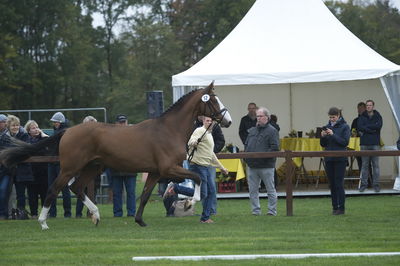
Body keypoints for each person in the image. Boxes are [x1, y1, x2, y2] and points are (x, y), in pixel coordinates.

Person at [187, 116, 228, 224]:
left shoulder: (209, 134)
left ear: (213, 123)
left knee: (211, 192)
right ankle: (176, 188)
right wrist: (194, 142)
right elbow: (191, 141)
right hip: (197, 165)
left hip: (205, 166)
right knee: (203, 193)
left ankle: (205, 218)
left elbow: (211, 154)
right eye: (207, 120)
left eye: (211, 121)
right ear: (203, 121)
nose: (209, 122)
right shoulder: (199, 130)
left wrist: (222, 167)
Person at [244, 107, 279, 216]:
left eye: (260, 116)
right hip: (252, 166)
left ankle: (271, 211)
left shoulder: (272, 131)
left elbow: (275, 148)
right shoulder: (252, 130)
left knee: (270, 190)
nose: (258, 118)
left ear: (267, 117)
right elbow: (246, 145)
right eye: (257, 116)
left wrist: (261, 157)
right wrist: (247, 158)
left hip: (266, 166)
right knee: (253, 191)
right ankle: (256, 211)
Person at [320, 107, 350, 215]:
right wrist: (322, 137)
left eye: (333, 117)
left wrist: (333, 134)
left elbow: (344, 142)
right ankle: (334, 207)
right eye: (330, 117)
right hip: (329, 159)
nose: (331, 119)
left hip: (340, 159)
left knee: (339, 184)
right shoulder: (327, 127)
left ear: (338, 116)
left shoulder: (345, 127)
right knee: (332, 184)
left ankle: (341, 208)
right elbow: (323, 144)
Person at [194, 116, 225, 215]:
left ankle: (211, 210)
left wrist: (211, 151)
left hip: (208, 161)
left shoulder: (214, 126)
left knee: (210, 187)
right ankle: (206, 211)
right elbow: (189, 142)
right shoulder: (194, 126)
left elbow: (221, 141)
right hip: (198, 162)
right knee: (203, 188)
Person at [109, 114, 137, 217]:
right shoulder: (111, 136)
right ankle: (117, 213)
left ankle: (131, 213)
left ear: (127, 122)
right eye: (120, 122)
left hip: (130, 169)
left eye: (124, 122)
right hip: (116, 169)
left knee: (131, 193)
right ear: (116, 123)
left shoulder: (133, 135)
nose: (122, 124)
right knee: (117, 193)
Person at [6, 115, 34, 218]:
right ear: (9, 126)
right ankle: (9, 213)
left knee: (21, 194)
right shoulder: (5, 136)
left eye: (17, 125)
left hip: (22, 170)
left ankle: (21, 213)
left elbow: (25, 150)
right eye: (13, 125)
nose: (15, 127)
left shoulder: (24, 135)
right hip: (8, 169)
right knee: (7, 193)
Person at [75, 116, 101, 218]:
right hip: (82, 169)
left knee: (93, 192)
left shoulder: (100, 139)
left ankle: (91, 213)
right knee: (80, 191)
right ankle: (78, 213)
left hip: (95, 170)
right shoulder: (78, 138)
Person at [48, 111, 71, 218]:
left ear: (60, 122)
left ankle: (66, 212)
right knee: (54, 187)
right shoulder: (57, 131)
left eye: (56, 122)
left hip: (60, 164)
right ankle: (56, 212)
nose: (54, 123)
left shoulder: (64, 132)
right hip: (53, 163)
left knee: (63, 188)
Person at [25, 120, 49, 219]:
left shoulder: (44, 138)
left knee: (44, 193)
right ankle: (34, 214)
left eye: (37, 127)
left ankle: (45, 213)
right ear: (28, 130)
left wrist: (43, 135)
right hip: (31, 171)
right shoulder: (26, 140)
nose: (36, 129)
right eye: (33, 128)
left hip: (43, 171)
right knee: (32, 195)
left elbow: (48, 148)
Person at [357, 100, 383, 193]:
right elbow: (359, 127)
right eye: (367, 105)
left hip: (375, 144)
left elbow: (379, 126)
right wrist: (372, 129)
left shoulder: (378, 116)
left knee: (375, 165)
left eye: (370, 105)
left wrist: (367, 128)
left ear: (373, 106)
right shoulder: (361, 117)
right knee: (364, 165)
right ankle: (364, 185)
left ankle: (376, 185)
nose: (368, 107)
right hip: (364, 144)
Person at [0, 114, 12, 219]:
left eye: (1, 122)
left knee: (3, 190)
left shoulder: (8, 136)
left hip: (5, 169)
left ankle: (3, 214)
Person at [350, 102, 366, 170]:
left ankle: (369, 180)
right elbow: (352, 130)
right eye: (358, 108)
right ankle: (362, 179)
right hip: (357, 146)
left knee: (367, 164)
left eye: (361, 108)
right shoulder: (355, 120)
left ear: (365, 109)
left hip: (366, 145)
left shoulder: (369, 119)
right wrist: (353, 133)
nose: (359, 110)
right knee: (360, 163)